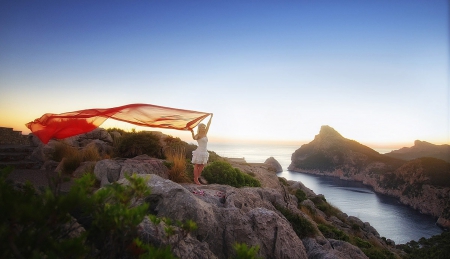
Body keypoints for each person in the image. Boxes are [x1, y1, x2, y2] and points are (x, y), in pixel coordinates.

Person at [190, 114, 213, 185]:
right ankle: (196, 179)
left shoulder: (205, 133)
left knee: (202, 166)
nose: (203, 128)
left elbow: (209, 124)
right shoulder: (198, 135)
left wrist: (211, 117)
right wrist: (192, 132)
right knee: (197, 165)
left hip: (204, 151)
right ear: (199, 128)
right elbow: (194, 138)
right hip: (199, 151)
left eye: (204, 127)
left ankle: (197, 177)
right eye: (202, 127)